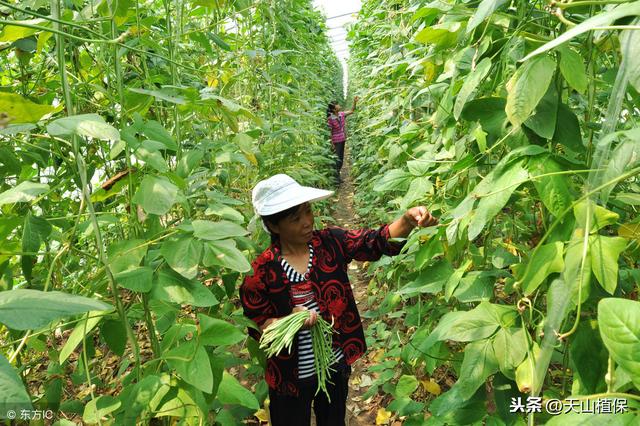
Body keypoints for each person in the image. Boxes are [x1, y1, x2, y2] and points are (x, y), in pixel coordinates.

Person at [239, 174, 438, 426]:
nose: (307, 222)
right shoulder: (260, 273)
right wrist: (290, 321)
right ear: (274, 226)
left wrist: (408, 221)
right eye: (295, 218)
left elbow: (373, 242)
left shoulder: (329, 243)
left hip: (334, 364)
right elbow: (259, 327)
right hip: (289, 376)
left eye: (308, 212)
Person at [327, 96, 358, 182]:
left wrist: (354, 102)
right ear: (334, 109)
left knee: (340, 158)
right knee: (338, 159)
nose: (338, 105)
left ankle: (337, 176)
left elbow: (352, 110)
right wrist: (332, 143)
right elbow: (329, 132)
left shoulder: (341, 114)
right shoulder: (330, 119)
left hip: (342, 139)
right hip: (336, 141)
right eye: (336, 104)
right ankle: (336, 178)